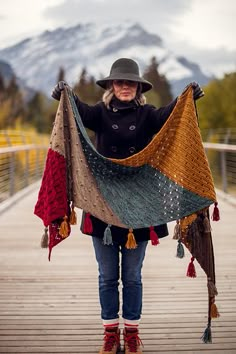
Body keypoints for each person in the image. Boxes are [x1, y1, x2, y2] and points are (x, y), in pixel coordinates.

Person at [51, 58, 204, 354]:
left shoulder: (147, 115)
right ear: (111, 85)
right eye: (119, 82)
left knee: (132, 276)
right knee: (108, 276)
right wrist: (64, 92)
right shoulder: (99, 114)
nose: (125, 86)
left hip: (138, 208)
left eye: (130, 82)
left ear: (138, 87)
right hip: (103, 206)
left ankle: (132, 335)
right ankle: (110, 335)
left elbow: (171, 116)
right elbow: (75, 110)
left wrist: (187, 94)